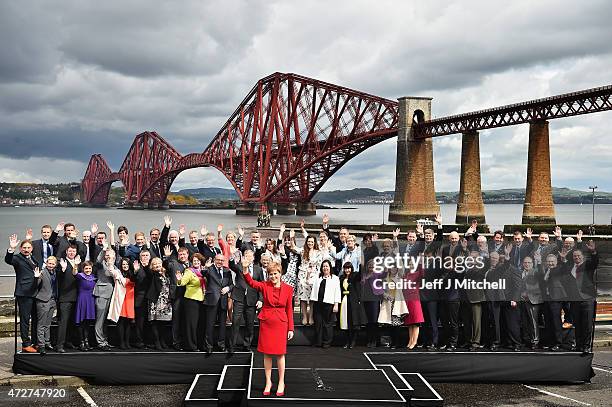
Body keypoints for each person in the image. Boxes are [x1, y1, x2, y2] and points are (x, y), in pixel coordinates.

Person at [241, 259, 294, 397]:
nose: (273, 276)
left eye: (275, 273)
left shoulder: (288, 289)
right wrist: (245, 269)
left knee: (280, 354)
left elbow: (289, 309)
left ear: (280, 273)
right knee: (267, 354)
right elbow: (251, 282)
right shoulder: (265, 286)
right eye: (271, 274)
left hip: (281, 323)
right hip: (267, 323)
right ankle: (268, 382)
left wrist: (291, 328)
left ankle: (281, 382)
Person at [5, 234, 39, 353]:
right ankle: (26, 344)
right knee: (25, 320)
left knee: (36, 319)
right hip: (24, 293)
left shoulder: (33, 258)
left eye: (28, 247)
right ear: (20, 249)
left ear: (32, 249)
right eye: (24, 247)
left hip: (35, 293)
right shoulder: (17, 258)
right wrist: (11, 249)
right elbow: (8, 260)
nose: (26, 249)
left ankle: (35, 342)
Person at [228, 250, 264, 353]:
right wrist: (231, 256)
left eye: (250, 256)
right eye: (246, 256)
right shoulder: (239, 266)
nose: (248, 258)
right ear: (243, 257)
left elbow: (261, 285)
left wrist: (260, 299)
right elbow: (231, 265)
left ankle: (246, 345)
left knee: (249, 324)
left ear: (253, 258)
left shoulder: (258, 269)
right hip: (239, 299)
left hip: (252, 300)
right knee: (235, 322)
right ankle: (232, 346)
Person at [293, 235, 330, 325]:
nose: (310, 243)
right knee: (303, 297)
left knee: (312, 298)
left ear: (314, 243)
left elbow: (325, 259)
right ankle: (305, 317)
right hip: (303, 276)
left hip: (314, 276)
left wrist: (326, 246)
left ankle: (311, 316)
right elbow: (294, 248)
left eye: (312, 242)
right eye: (308, 241)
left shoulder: (318, 252)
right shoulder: (303, 251)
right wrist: (292, 237)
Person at [201, 254, 233, 354]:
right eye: (218, 260)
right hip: (212, 300)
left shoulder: (227, 270)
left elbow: (231, 284)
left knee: (222, 325)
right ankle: (209, 346)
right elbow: (203, 273)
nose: (220, 262)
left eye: (222, 260)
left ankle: (221, 344)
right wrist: (206, 267)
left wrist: (228, 288)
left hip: (223, 300)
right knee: (210, 324)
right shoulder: (209, 269)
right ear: (215, 260)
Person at [91, 224, 115, 351]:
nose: (108, 257)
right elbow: (98, 260)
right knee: (99, 320)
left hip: (111, 294)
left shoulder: (113, 265)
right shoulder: (101, 264)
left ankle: (104, 340)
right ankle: (100, 342)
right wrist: (104, 250)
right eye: (107, 255)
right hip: (101, 294)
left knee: (105, 320)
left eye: (110, 255)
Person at [175, 253, 206, 352]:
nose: (196, 262)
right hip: (191, 300)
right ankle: (190, 346)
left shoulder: (203, 271)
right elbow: (182, 282)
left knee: (199, 324)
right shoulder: (189, 271)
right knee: (191, 324)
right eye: (194, 261)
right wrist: (179, 279)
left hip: (202, 300)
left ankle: (199, 344)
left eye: (198, 261)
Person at [56, 245, 81, 353]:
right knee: (63, 322)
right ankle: (59, 345)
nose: (71, 253)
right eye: (70, 251)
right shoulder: (62, 262)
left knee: (72, 322)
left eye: (73, 251)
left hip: (76, 296)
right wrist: (63, 269)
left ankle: (68, 342)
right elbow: (58, 278)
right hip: (65, 297)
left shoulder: (79, 263)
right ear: (66, 252)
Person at [310, 260, 341, 348]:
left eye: (327, 266)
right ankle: (318, 342)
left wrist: (336, 304)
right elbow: (309, 282)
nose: (325, 268)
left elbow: (337, 292)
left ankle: (327, 342)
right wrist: (309, 273)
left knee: (327, 324)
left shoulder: (335, 278)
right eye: (323, 266)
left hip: (329, 304)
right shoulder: (318, 277)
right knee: (318, 323)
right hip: (318, 303)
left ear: (330, 267)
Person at [107, 256, 136, 349]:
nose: (125, 265)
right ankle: (121, 342)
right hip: (121, 300)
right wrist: (110, 262)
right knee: (121, 322)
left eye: (127, 264)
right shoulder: (118, 273)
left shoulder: (133, 273)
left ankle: (127, 342)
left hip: (130, 300)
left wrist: (136, 271)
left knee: (128, 323)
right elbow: (111, 271)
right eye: (123, 264)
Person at [338, 262, 366, 349]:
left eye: (349, 268)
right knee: (345, 322)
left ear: (352, 269)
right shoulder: (341, 278)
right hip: (344, 302)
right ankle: (347, 341)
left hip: (353, 302)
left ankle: (353, 341)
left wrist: (362, 264)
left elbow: (361, 274)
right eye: (346, 268)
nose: (347, 270)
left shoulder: (354, 276)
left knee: (353, 322)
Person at [34, 256, 59, 355]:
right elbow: (37, 284)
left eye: (53, 264)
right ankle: (41, 345)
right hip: (43, 301)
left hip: (53, 301)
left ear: (55, 264)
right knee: (41, 324)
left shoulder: (55, 272)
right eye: (49, 263)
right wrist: (36, 278)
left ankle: (47, 342)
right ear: (46, 263)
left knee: (48, 324)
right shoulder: (42, 272)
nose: (51, 265)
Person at [146, 257, 173, 350]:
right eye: (154, 264)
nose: (157, 265)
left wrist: (166, 258)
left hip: (166, 301)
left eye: (158, 263)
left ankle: (162, 340)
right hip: (155, 301)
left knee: (163, 322)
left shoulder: (166, 272)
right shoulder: (152, 274)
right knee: (155, 323)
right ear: (152, 266)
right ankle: (156, 342)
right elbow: (149, 272)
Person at [72, 261, 97, 351]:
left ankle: (86, 342)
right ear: (83, 269)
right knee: (81, 322)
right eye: (86, 268)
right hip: (82, 300)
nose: (88, 270)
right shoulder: (80, 276)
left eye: (89, 268)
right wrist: (75, 265)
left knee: (87, 323)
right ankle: (81, 342)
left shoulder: (93, 277)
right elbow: (74, 273)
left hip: (90, 300)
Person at [403, 258, 424, 350]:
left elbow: (423, 273)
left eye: (413, 264)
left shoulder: (418, 274)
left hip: (415, 300)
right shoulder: (406, 275)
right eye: (410, 264)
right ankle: (410, 340)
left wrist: (420, 263)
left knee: (415, 322)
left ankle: (414, 341)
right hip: (407, 300)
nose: (411, 265)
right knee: (409, 322)